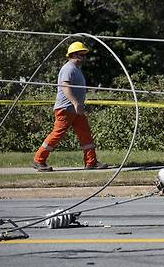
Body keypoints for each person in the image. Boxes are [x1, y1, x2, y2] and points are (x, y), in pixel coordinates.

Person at [32, 42, 108, 172]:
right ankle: (38, 160)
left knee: (86, 135)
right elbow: (65, 88)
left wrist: (79, 105)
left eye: (84, 55)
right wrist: (75, 103)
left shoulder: (76, 69)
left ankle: (91, 162)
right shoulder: (68, 69)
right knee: (57, 135)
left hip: (75, 109)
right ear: (72, 55)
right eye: (81, 54)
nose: (83, 57)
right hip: (65, 109)